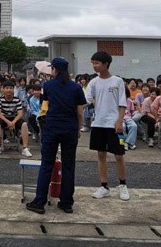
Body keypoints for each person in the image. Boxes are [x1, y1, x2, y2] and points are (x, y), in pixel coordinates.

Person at [26, 57, 86, 215]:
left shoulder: (48, 85)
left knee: (46, 164)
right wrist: (78, 128)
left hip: (52, 128)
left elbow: (46, 104)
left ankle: (39, 202)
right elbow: (80, 112)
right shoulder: (76, 87)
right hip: (70, 129)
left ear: (55, 69)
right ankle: (66, 203)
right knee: (68, 166)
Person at [85, 51, 130, 201]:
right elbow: (86, 100)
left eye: (97, 63)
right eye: (93, 63)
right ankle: (104, 186)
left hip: (114, 123)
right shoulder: (93, 82)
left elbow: (122, 103)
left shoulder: (117, 81)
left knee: (119, 155)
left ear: (106, 64)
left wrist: (119, 120)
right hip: (98, 123)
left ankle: (123, 185)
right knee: (101, 154)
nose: (94, 66)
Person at [0, 80, 32, 157]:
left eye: (11, 88)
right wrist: (8, 122)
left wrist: (13, 122)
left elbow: (20, 114)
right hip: (3, 118)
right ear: (3, 89)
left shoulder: (17, 100)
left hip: (14, 117)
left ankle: (25, 148)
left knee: (24, 124)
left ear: (13, 89)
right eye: (7, 88)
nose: (9, 90)